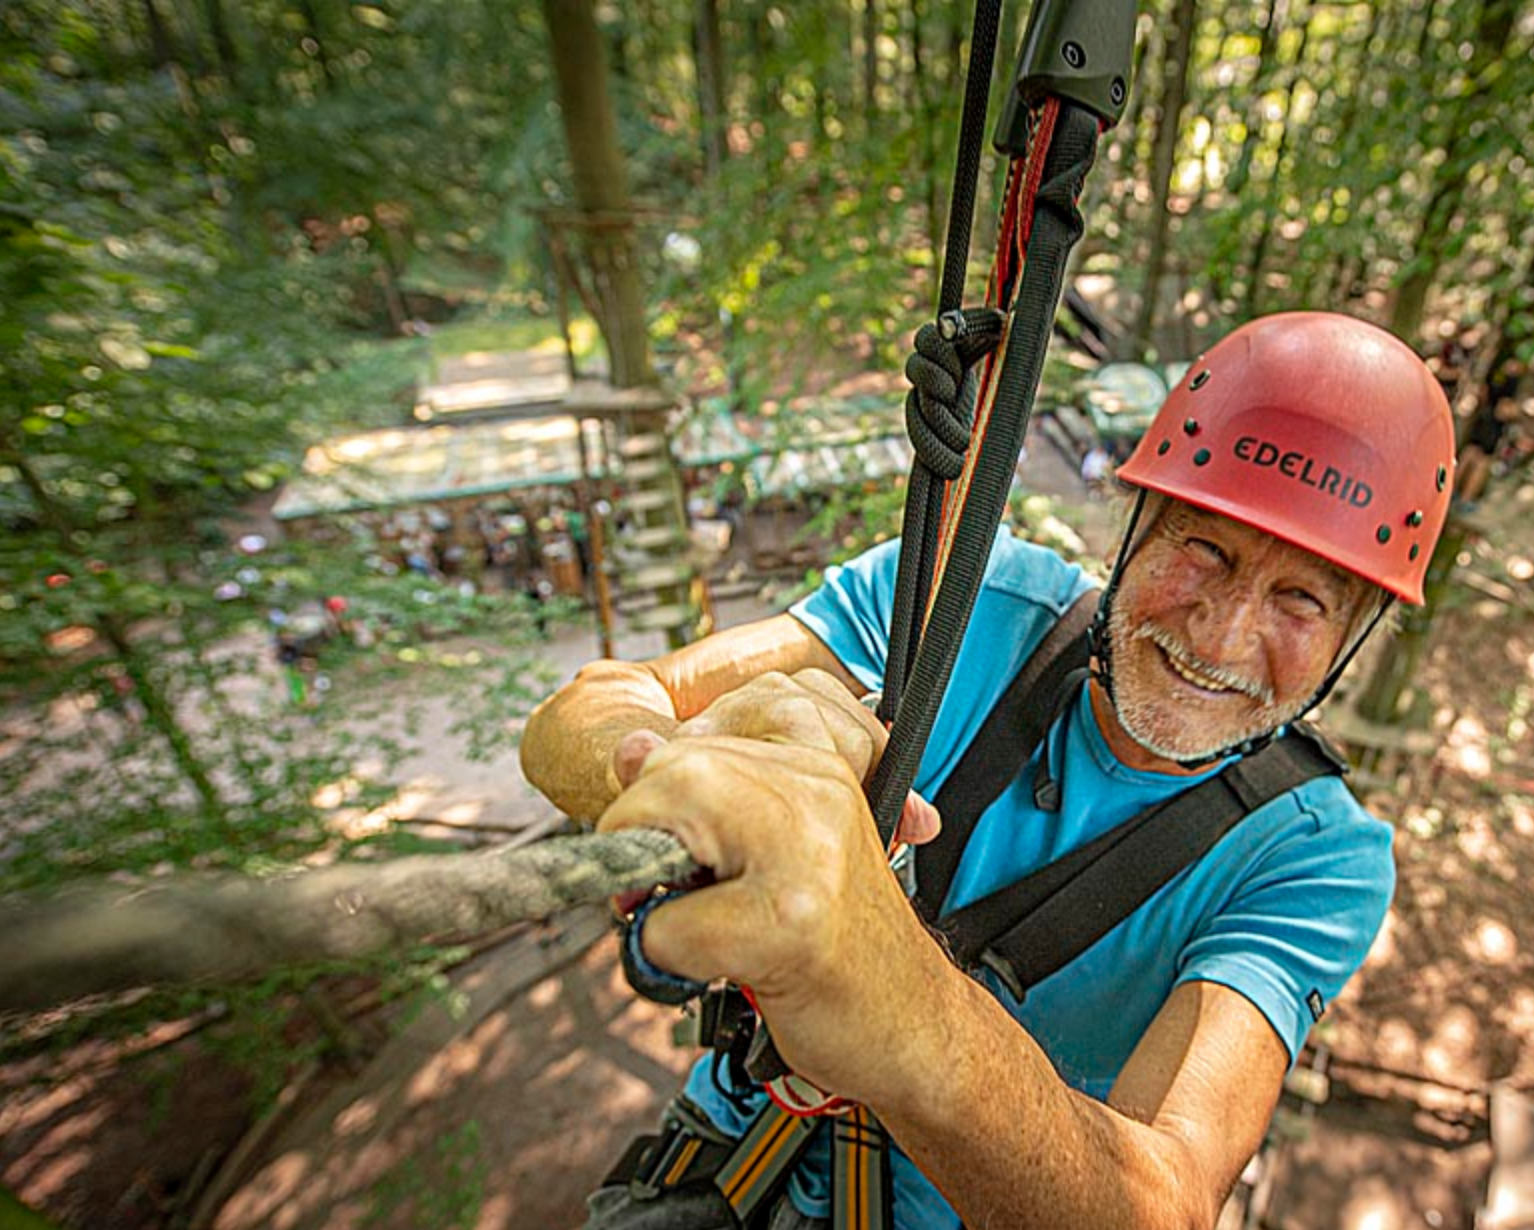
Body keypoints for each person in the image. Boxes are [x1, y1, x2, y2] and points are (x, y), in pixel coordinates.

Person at [520, 311, 1456, 1229]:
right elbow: (591, 710)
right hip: (732, 1167)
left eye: (1301, 601)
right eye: (1204, 550)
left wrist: (900, 999)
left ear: (1352, 638)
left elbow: (1166, 1200)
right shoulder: (959, 602)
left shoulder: (1315, 860)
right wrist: (685, 783)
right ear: (1135, 529)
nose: (1223, 635)